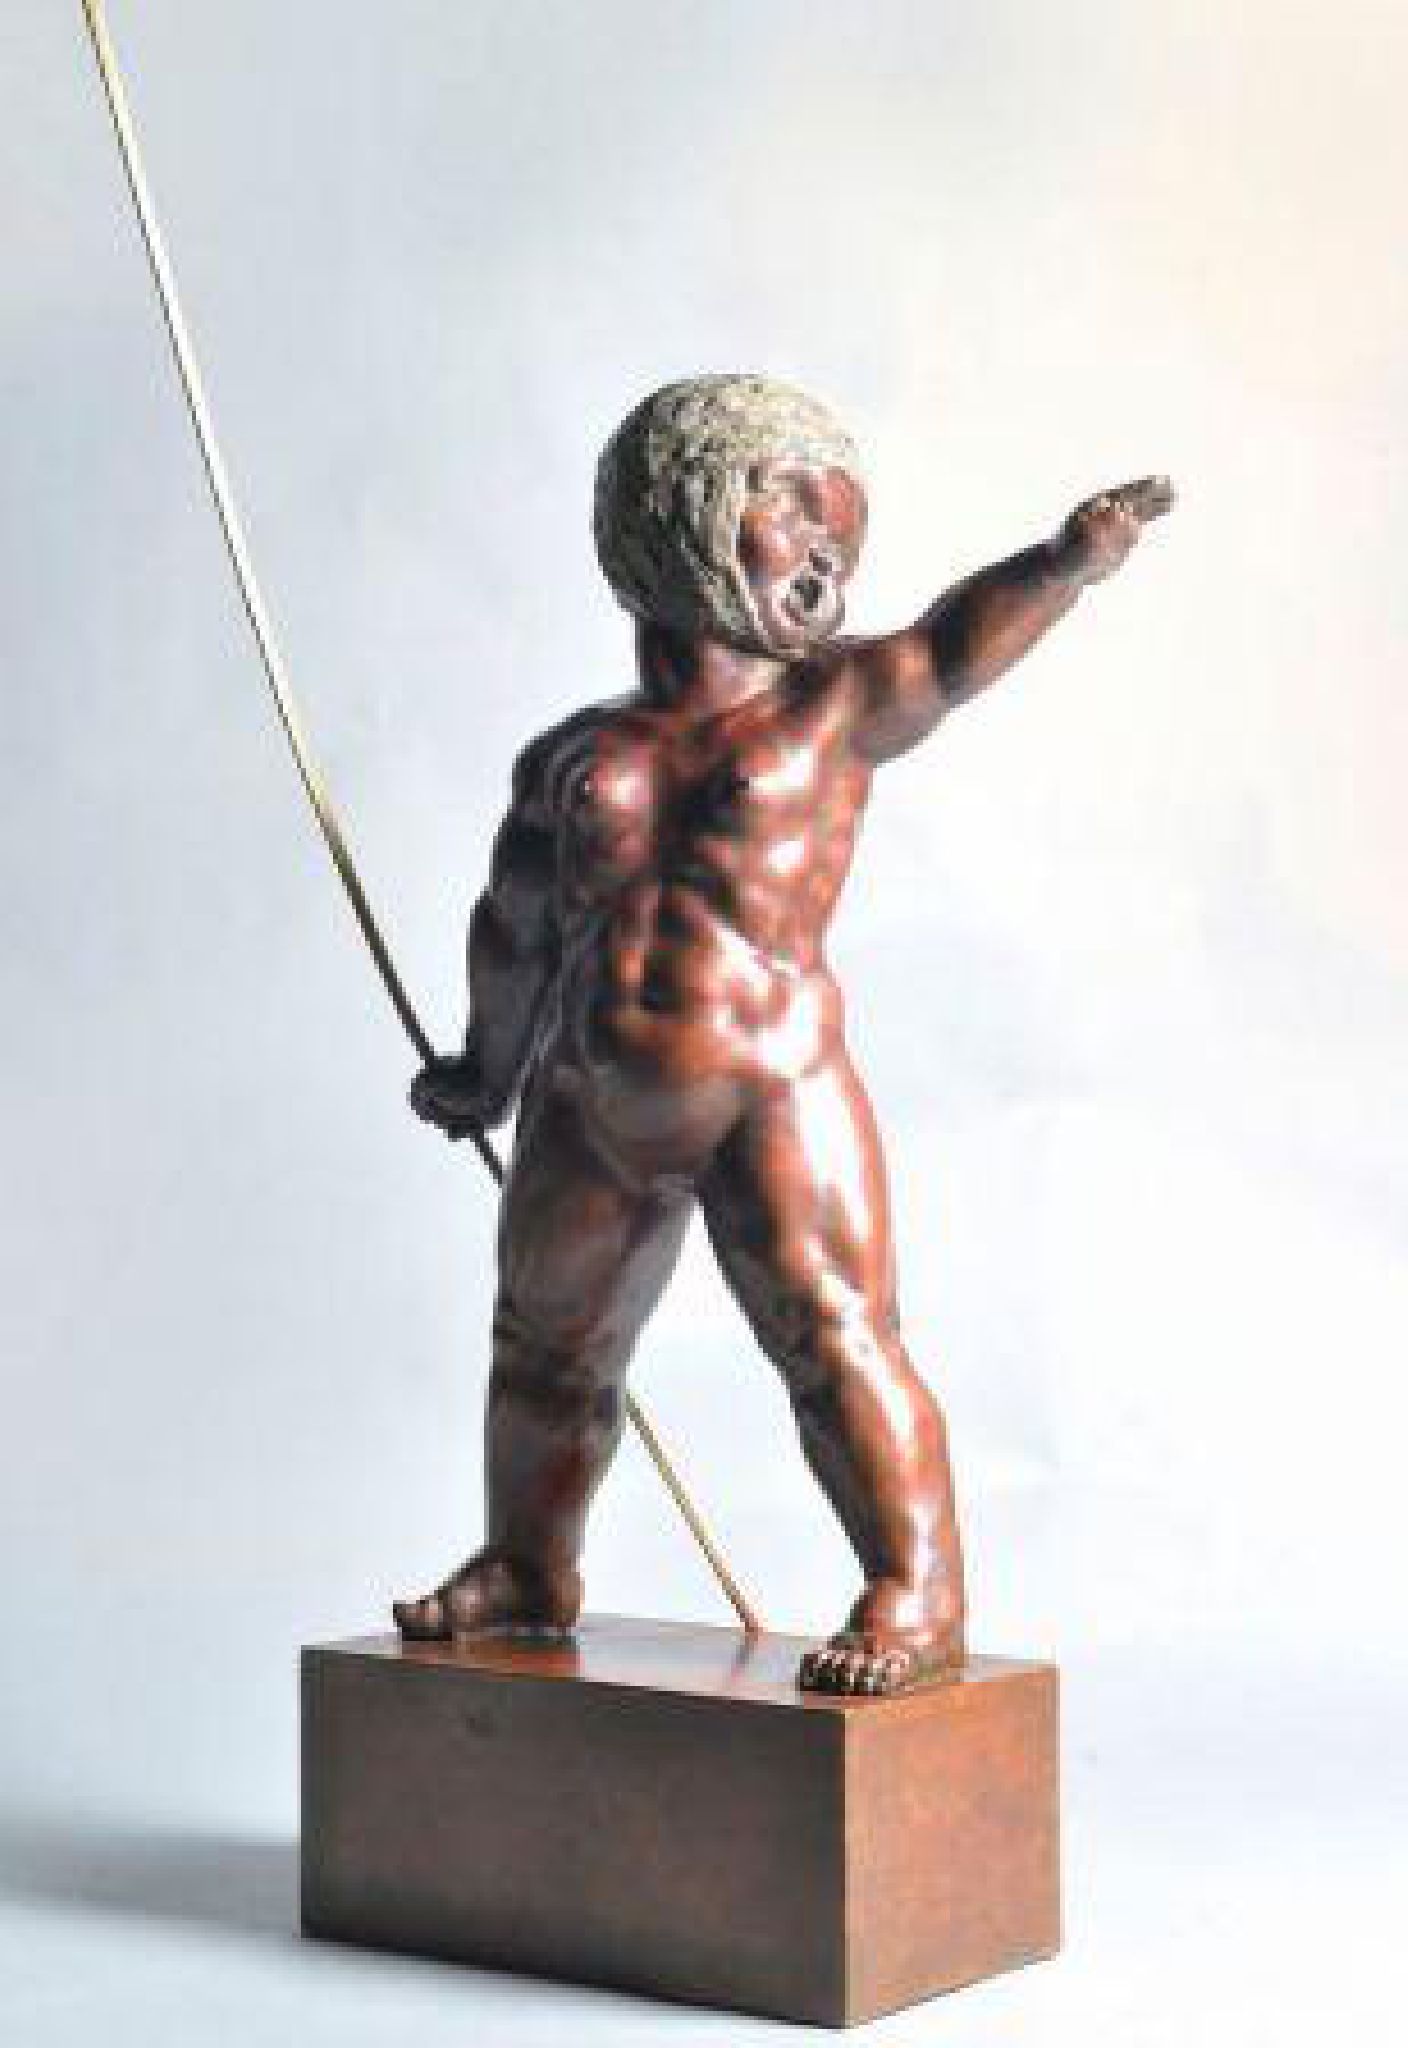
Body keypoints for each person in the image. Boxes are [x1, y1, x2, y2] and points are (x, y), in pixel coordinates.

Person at [394, 374, 1172, 1693]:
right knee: (542, 1345)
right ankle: (527, 1566)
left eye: (839, 533)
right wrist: (485, 1068)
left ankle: (916, 1595)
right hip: (587, 1097)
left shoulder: (835, 705)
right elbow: (515, 925)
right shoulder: (574, 756)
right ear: (680, 523)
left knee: (835, 1337)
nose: (826, 558)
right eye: (794, 518)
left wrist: (1063, 565)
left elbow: (950, 649)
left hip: (771, 1085)